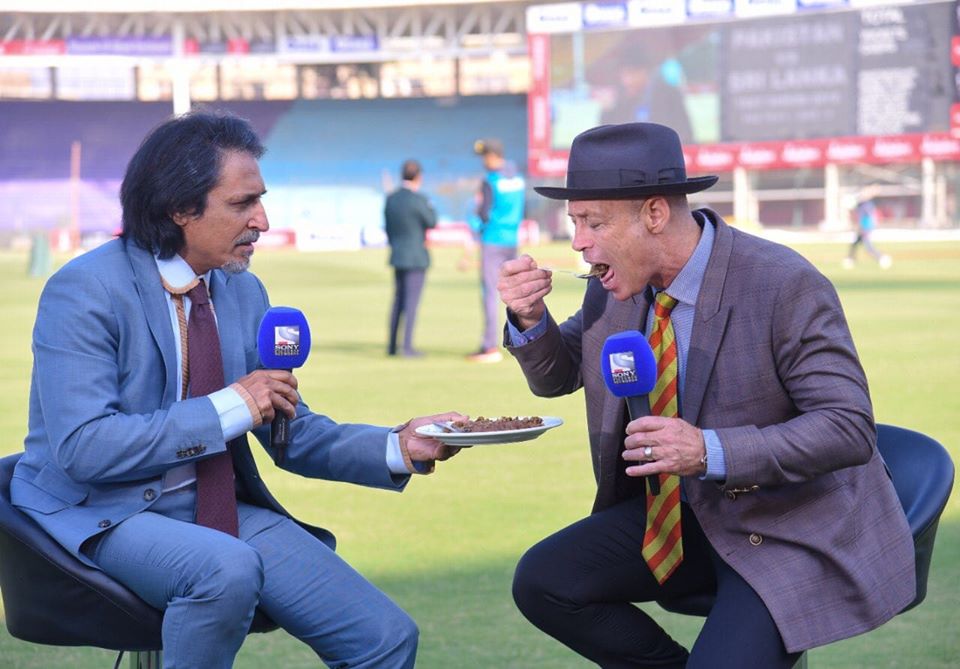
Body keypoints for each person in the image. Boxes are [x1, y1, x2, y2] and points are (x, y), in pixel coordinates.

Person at [11, 110, 464, 669]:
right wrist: (232, 406)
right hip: (104, 508)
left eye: (261, 199)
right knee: (223, 569)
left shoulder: (242, 290)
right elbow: (84, 447)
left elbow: (287, 430)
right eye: (242, 203)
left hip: (215, 505)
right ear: (179, 208)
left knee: (385, 638)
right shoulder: (84, 290)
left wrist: (398, 445)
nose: (264, 220)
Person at [497, 122, 914, 668]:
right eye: (575, 222)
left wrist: (708, 450)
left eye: (593, 222)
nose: (577, 241)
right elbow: (559, 374)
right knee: (544, 581)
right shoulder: (615, 286)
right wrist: (529, 319)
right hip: (687, 519)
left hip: (786, 526)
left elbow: (847, 427)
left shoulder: (782, 283)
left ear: (654, 214)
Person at [465, 137, 526, 363]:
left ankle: (489, 346)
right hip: (512, 240)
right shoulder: (518, 179)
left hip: (492, 240)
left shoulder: (490, 180)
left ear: (492, 156)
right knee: (515, 294)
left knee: (490, 294)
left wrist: (475, 230)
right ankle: (522, 341)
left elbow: (482, 213)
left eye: (484, 156)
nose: (483, 161)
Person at [384, 158, 437, 357]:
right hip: (415, 257)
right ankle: (407, 346)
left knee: (397, 302)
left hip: (398, 254)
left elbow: (388, 227)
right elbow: (431, 221)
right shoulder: (419, 199)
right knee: (411, 304)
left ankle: (391, 346)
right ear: (418, 177)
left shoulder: (392, 198)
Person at [844, 185, 891, 269]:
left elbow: (866, 217)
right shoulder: (861, 204)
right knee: (855, 244)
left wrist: (862, 227)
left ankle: (881, 258)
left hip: (865, 227)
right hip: (864, 227)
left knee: (867, 246)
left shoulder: (866, 205)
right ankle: (850, 259)